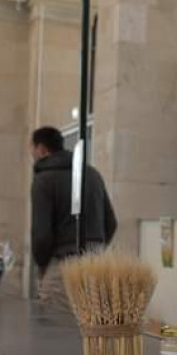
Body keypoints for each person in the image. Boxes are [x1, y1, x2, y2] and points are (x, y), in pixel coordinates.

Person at [29, 126, 116, 311]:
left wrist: (42, 266)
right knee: (90, 330)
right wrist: (95, 250)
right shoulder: (92, 174)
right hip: (96, 265)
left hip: (63, 266)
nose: (32, 155)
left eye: (32, 149)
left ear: (42, 149)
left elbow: (41, 234)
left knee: (57, 330)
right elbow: (111, 222)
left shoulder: (44, 180)